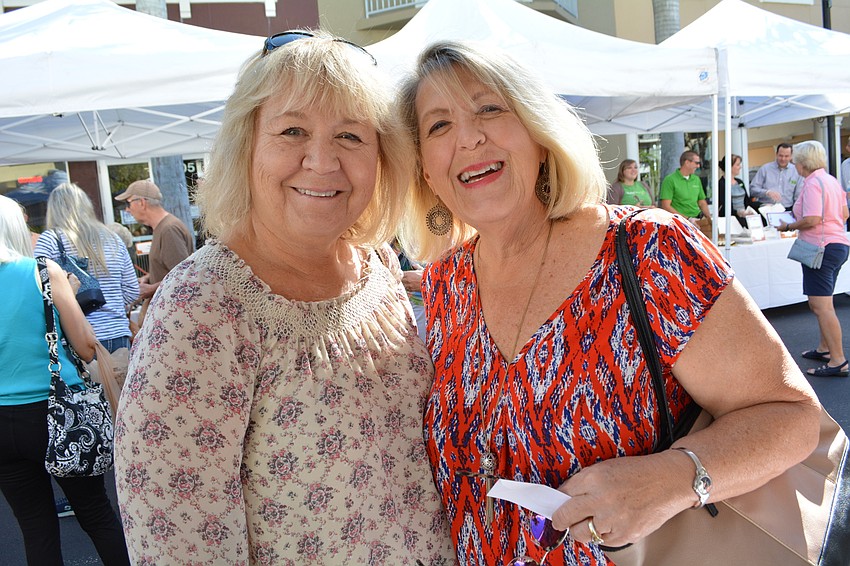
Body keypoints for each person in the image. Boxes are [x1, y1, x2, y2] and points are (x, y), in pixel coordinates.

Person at [397, 41, 821, 565]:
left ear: (539, 133)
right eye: (439, 126)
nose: (469, 137)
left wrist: (674, 477)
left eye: (490, 108)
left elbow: (792, 417)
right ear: (425, 170)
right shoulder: (444, 286)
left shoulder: (648, 249)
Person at [114, 30, 454, 564]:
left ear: (383, 156)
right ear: (247, 146)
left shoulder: (379, 269)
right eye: (292, 130)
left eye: (350, 136)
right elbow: (178, 541)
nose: (321, 161)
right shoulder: (202, 307)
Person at [0, 195, 131, 566]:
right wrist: (67, 296)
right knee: (96, 512)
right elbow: (87, 347)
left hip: (2, 422)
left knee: (35, 526)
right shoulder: (43, 272)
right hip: (56, 412)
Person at [34, 183, 140, 354]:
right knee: (120, 381)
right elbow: (132, 291)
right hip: (118, 336)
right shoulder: (113, 239)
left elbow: (39, 291)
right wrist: (111, 303)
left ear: (53, 209)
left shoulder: (51, 240)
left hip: (76, 340)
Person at [777, 140, 850, 377]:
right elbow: (845, 213)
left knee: (821, 306)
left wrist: (788, 225)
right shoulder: (830, 180)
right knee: (821, 303)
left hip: (820, 247)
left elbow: (811, 219)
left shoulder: (812, 183)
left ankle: (838, 360)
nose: (795, 163)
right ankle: (826, 349)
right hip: (836, 245)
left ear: (803, 161)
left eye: (797, 159)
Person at [114, 179, 193, 302]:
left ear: (141, 202)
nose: (127, 210)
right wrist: (149, 278)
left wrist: (150, 289)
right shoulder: (162, 228)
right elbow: (171, 271)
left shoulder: (169, 229)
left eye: (127, 203)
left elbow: (183, 276)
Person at [658, 150, 711, 220]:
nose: (698, 166)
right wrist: (687, 219)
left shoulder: (696, 179)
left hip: (697, 219)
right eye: (696, 163)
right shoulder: (670, 180)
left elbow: (701, 202)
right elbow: (666, 206)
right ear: (687, 162)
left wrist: (709, 218)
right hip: (679, 222)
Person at [750, 142, 803, 210]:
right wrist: (766, 192)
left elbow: (798, 195)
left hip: (787, 209)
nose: (783, 159)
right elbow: (752, 189)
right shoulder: (765, 169)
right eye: (780, 155)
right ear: (776, 154)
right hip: (766, 208)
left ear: (791, 156)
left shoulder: (796, 171)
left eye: (786, 156)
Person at [716, 153, 760, 225]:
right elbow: (724, 207)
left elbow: (747, 202)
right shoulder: (721, 184)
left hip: (745, 219)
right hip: (732, 222)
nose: (740, 167)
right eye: (737, 164)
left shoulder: (739, 182)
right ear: (729, 166)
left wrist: (763, 205)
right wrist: (737, 212)